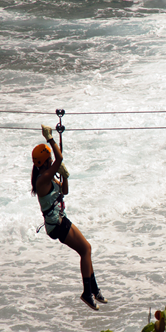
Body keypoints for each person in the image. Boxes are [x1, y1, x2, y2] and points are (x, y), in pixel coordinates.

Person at [31, 124, 107, 310]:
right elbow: (60, 157)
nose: (52, 161)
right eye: (49, 159)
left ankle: (94, 290)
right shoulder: (42, 179)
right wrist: (50, 138)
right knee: (86, 250)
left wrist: (64, 176)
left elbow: (64, 191)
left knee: (86, 249)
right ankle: (87, 293)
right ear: (45, 161)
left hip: (60, 220)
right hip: (56, 225)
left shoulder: (49, 176)